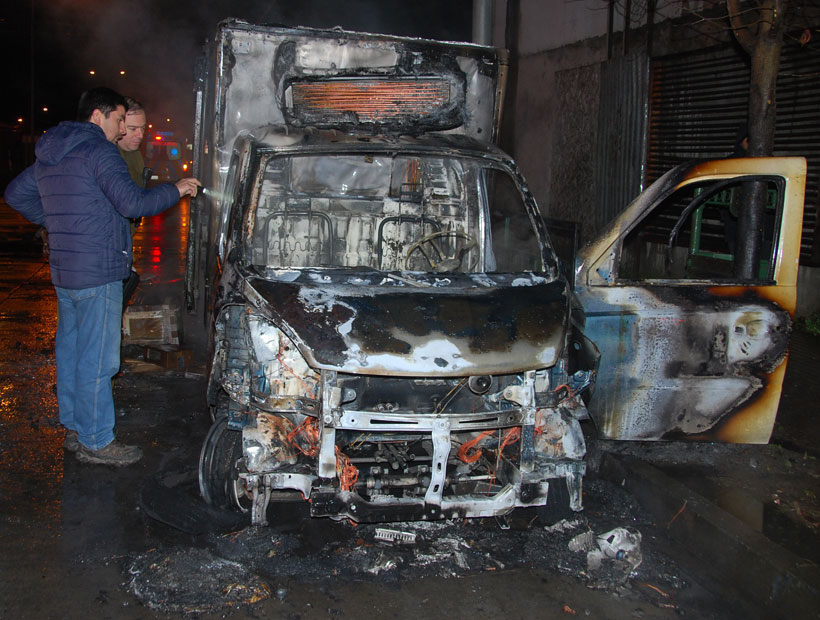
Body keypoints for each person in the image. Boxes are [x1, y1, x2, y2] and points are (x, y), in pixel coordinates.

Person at [4, 87, 200, 466]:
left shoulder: (53, 151)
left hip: (66, 273)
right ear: (99, 116)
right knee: (98, 360)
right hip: (97, 271)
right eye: (118, 119)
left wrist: (59, 222)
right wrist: (176, 188)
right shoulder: (99, 151)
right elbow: (132, 203)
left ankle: (76, 429)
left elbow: (16, 193)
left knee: (73, 353)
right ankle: (97, 441)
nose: (120, 127)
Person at [118, 96, 148, 313]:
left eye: (142, 128)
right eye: (133, 128)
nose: (140, 134)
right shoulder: (107, 156)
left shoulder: (134, 156)